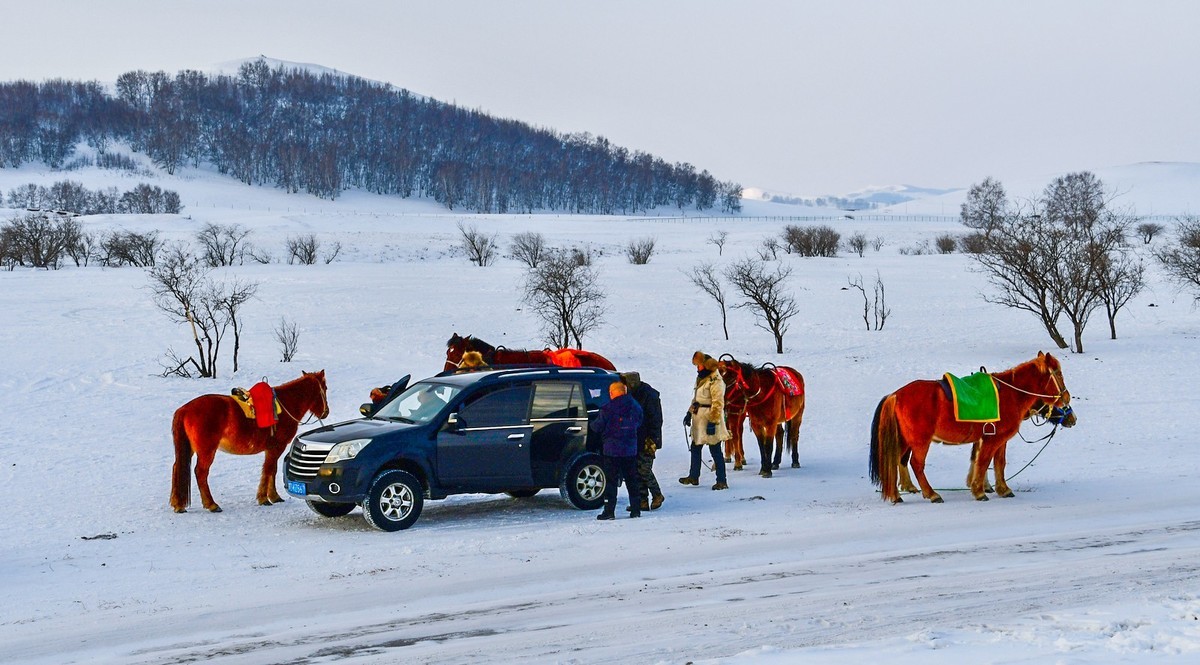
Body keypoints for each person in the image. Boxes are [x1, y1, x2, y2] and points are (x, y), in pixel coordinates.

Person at [591, 381, 643, 520]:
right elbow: (639, 422)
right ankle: (636, 509)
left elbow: (597, 426)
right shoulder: (635, 406)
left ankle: (609, 511)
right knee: (632, 480)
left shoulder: (608, 408)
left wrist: (592, 425)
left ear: (613, 392)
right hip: (630, 449)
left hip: (612, 450)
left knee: (611, 482)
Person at [680, 351, 730, 490]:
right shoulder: (701, 378)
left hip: (709, 418)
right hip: (699, 419)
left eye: (699, 365)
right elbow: (696, 399)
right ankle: (693, 476)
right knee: (695, 447)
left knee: (715, 450)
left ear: (706, 365)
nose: (697, 368)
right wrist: (689, 413)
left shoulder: (716, 380)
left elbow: (718, 403)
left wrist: (713, 421)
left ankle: (722, 481)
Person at [620, 371, 664, 511]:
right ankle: (642, 501)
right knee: (636, 470)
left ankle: (657, 494)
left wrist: (653, 439)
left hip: (647, 439)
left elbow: (655, 420)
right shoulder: (634, 394)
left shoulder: (649, 396)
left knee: (644, 469)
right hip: (636, 437)